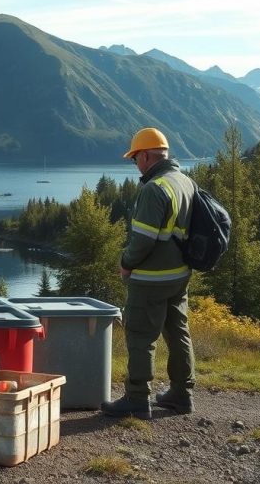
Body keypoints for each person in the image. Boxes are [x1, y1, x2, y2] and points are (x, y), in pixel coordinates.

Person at [101, 127, 196, 420]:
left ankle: (136, 398)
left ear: (144, 156)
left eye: (134, 159)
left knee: (141, 336)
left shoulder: (154, 189)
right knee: (178, 331)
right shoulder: (184, 181)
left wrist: (126, 263)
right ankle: (182, 394)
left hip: (152, 278)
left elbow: (143, 239)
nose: (135, 165)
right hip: (179, 275)